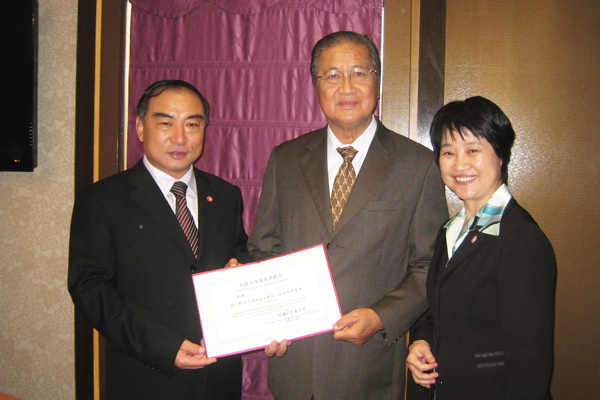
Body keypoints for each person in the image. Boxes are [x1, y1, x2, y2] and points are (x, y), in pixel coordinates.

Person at [248, 31, 448, 400]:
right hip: (294, 367)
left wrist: (382, 317)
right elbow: (264, 250)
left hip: (369, 369)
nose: (347, 87)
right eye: (332, 75)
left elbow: (429, 266)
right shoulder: (285, 159)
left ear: (377, 80)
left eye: (359, 72)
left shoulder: (418, 165)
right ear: (315, 85)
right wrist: (264, 315)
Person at [68, 80, 249, 399]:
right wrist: (164, 346)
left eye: (192, 124)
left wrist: (242, 269)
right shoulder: (102, 200)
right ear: (140, 127)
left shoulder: (225, 195)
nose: (180, 138)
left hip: (219, 379)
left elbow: (239, 253)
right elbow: (90, 288)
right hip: (146, 377)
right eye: (165, 123)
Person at [407, 96, 556, 399]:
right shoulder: (450, 230)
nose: (460, 164)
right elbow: (443, 313)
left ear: (500, 154)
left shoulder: (520, 238)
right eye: (448, 152)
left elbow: (530, 363)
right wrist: (421, 341)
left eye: (473, 150)